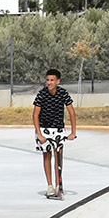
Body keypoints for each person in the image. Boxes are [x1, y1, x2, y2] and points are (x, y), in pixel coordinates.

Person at [32, 68, 76, 199]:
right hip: (44, 129)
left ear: (58, 81)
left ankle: (58, 185)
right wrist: (39, 134)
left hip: (58, 129)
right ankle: (50, 186)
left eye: (52, 80)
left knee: (58, 157)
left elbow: (71, 112)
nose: (49, 83)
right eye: (48, 80)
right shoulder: (42, 94)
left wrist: (73, 132)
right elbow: (35, 114)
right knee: (47, 156)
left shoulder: (63, 93)